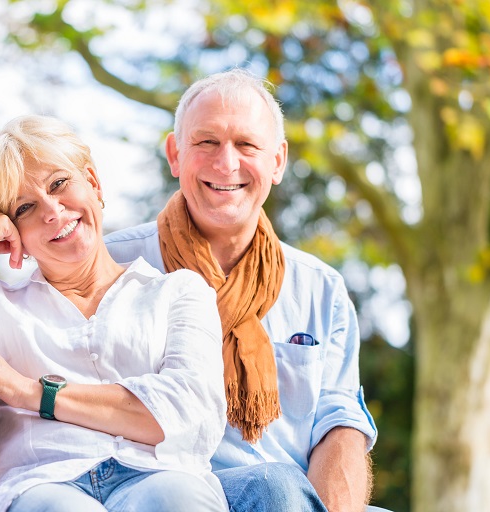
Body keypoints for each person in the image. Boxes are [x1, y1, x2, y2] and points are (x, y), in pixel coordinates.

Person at [0, 115, 229, 512]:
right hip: (40, 486)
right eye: (24, 207)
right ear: (10, 232)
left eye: (59, 183)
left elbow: (189, 412)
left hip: (159, 478)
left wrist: (26, 390)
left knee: (177, 498)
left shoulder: (178, 292)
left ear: (93, 183)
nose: (52, 211)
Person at [103, 69, 379, 512]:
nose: (226, 163)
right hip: (165, 493)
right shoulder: (112, 267)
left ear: (278, 161)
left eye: (247, 145)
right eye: (206, 142)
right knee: (277, 488)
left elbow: (339, 424)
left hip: (296, 501)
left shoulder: (321, 289)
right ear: (175, 155)